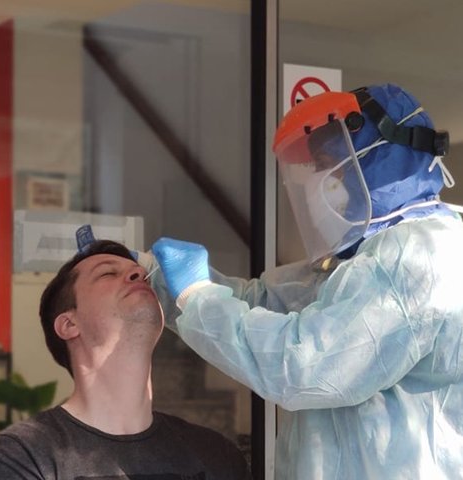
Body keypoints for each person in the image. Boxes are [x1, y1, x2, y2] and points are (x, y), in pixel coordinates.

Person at [151, 83, 463, 479]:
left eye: (328, 163)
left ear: (378, 158)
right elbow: (270, 304)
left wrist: (197, 297)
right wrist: (159, 280)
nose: (318, 180)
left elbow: (305, 365)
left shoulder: (416, 255)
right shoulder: (366, 258)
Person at [0, 238, 251, 479]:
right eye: (108, 273)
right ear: (69, 324)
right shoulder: (28, 451)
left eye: (143, 275)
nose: (139, 274)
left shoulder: (217, 454)